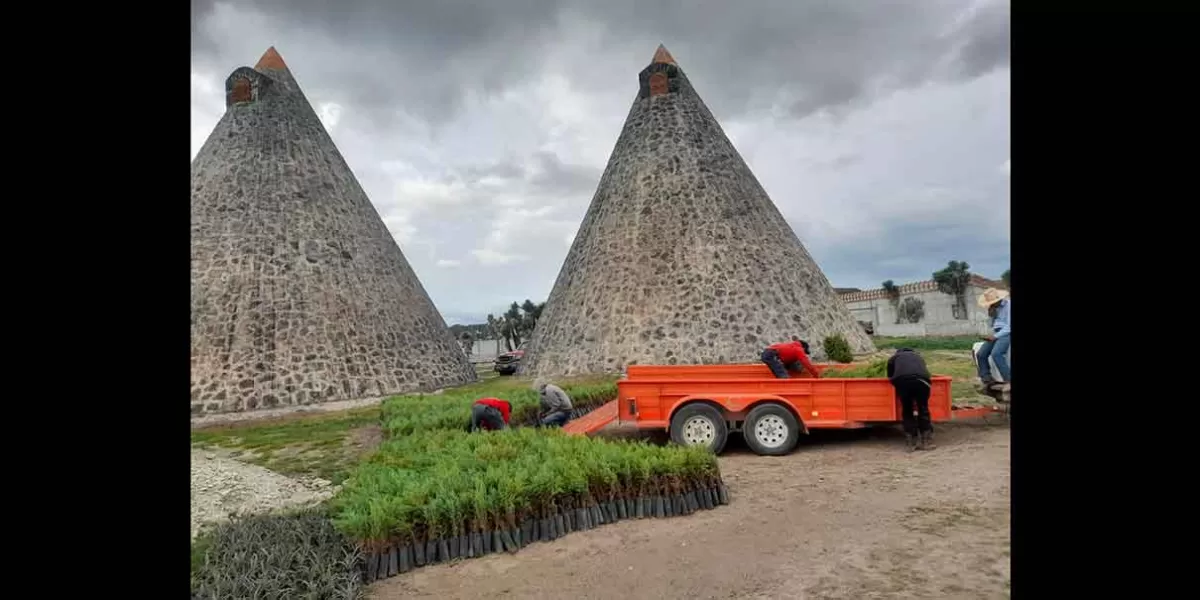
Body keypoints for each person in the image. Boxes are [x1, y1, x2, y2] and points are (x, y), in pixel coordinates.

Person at [887, 347, 936, 452]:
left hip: (903, 382)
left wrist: (900, 385)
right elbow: (924, 371)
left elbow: (890, 376)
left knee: (907, 409)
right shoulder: (919, 357)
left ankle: (911, 443)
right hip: (922, 381)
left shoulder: (893, 358)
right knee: (923, 408)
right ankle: (926, 442)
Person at [975, 288, 1011, 391]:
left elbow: (1009, 326)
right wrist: (991, 315)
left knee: (997, 353)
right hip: (997, 332)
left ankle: (1008, 380)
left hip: (1006, 332)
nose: (991, 304)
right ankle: (987, 379)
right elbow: (992, 325)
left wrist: (995, 336)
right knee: (981, 354)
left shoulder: (1009, 306)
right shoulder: (994, 308)